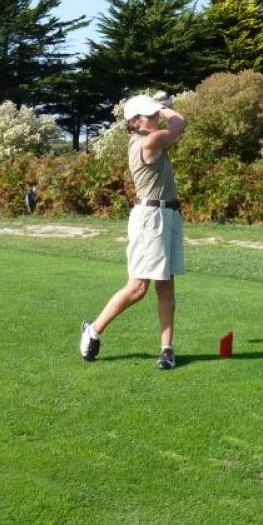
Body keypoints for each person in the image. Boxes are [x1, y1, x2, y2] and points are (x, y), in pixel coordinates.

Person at [80, 94, 187, 370]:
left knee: (166, 285)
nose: (155, 118)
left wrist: (155, 109)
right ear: (136, 122)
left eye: (154, 114)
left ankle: (167, 349)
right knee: (138, 288)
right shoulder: (148, 141)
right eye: (149, 115)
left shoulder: (150, 136)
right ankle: (93, 329)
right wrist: (163, 108)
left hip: (169, 215)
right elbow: (179, 123)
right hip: (151, 219)